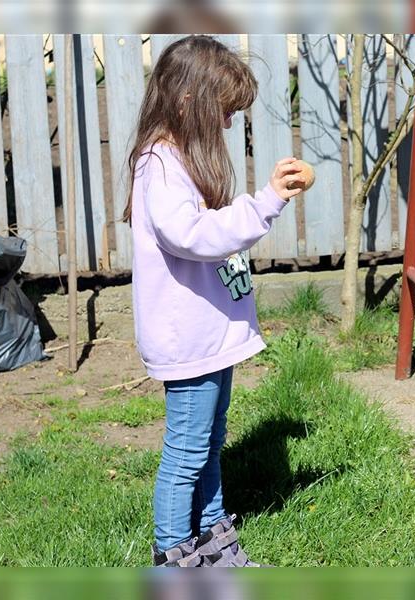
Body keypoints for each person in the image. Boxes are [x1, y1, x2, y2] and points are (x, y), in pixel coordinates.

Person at [122, 35, 303, 567]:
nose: (228, 124)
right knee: (186, 451)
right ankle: (173, 557)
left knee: (209, 441)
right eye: (224, 112)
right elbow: (191, 236)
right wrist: (266, 201)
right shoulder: (159, 163)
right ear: (188, 101)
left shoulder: (179, 158)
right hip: (189, 339)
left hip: (210, 335)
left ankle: (213, 543)